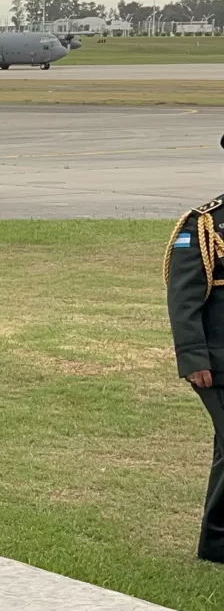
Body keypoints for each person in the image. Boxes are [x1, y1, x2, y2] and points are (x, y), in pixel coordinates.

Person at [164, 134, 224, 566]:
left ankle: (216, 543)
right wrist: (192, 357)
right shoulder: (204, 224)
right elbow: (183, 299)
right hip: (216, 361)